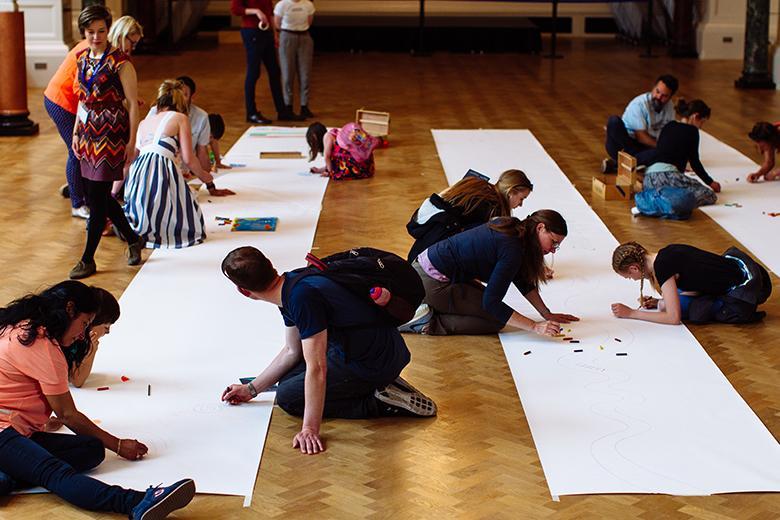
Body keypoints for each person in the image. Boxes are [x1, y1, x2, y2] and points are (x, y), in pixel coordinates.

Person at [0, 281, 195, 517]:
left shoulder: (24, 326)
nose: (83, 333)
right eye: (83, 324)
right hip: (4, 430)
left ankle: (6, 476)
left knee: (91, 449)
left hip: (17, 427)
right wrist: (118, 445)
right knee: (55, 473)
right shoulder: (40, 345)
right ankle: (135, 503)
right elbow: (67, 414)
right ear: (69, 309)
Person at [220, 247, 437, 455]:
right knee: (289, 378)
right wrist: (251, 389)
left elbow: (317, 368)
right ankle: (382, 383)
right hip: (377, 348)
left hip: (373, 361)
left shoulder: (300, 298)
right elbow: (292, 351)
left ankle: (378, 398)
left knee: (288, 397)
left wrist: (309, 429)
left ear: (244, 292)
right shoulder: (293, 283)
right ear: (270, 265)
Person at [401, 211, 579, 336]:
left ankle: (431, 308)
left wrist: (545, 314)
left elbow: (521, 279)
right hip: (431, 281)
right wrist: (534, 327)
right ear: (541, 228)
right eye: (553, 243)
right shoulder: (512, 248)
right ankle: (426, 323)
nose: (553, 250)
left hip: (430, 270)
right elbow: (491, 303)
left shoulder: (516, 229)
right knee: (496, 321)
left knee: (499, 313)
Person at [69, 6, 144, 279]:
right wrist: (77, 131)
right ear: (83, 33)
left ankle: (88, 259)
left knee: (98, 201)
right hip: (88, 133)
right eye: (90, 32)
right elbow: (81, 99)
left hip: (112, 133)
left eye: (101, 31)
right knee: (95, 195)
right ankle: (133, 238)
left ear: (108, 30)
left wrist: (131, 141)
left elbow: (134, 106)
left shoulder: (121, 62)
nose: (96, 36)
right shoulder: (81, 59)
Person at [124, 80, 235, 249]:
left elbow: (130, 160)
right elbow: (189, 158)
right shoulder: (180, 118)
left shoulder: (144, 123)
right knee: (189, 220)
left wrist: (113, 192)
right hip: (161, 169)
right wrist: (207, 178)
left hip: (138, 175)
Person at [611, 242, 771, 324]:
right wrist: (660, 302)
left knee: (690, 310)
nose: (631, 279)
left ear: (634, 268)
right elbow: (698, 282)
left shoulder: (662, 267)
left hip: (743, 294)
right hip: (747, 271)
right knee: (671, 300)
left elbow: (673, 318)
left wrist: (632, 313)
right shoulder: (666, 252)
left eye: (629, 276)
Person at [406, 169, 533, 262]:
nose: (521, 205)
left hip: (424, 243)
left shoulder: (479, 185)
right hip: (431, 258)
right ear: (511, 192)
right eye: (522, 199)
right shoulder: (491, 207)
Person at [635, 99, 720, 209]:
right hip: (669, 177)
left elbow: (662, 151)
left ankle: (657, 198)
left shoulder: (669, 125)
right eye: (702, 122)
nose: (701, 127)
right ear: (695, 116)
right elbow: (695, 162)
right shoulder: (692, 131)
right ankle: (667, 203)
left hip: (649, 179)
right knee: (709, 195)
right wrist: (711, 182)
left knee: (674, 189)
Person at [44, 26, 91, 218]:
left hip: (66, 101)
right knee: (76, 150)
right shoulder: (89, 50)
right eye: (132, 42)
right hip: (59, 101)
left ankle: (74, 184)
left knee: (83, 148)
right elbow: (79, 89)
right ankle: (77, 204)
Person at [231, 0, 303, 123]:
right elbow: (235, 9)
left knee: (275, 71)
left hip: (266, 32)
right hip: (252, 32)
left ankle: (282, 111)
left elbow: (270, 13)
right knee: (253, 73)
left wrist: (275, 34)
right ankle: (251, 113)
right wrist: (256, 11)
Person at [603, 74, 679, 172]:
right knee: (614, 121)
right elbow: (641, 137)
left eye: (664, 96)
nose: (659, 97)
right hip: (624, 144)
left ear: (670, 97)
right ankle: (635, 161)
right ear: (653, 88)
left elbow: (669, 132)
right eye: (657, 91)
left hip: (643, 146)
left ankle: (620, 164)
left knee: (667, 152)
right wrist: (662, 147)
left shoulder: (670, 107)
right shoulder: (639, 104)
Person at [148, 76, 211, 175]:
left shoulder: (201, 117)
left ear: (192, 97)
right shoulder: (155, 111)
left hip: (184, 172)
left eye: (184, 95)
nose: (179, 100)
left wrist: (207, 177)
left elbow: (201, 151)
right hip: (156, 168)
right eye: (177, 95)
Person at [274, 0, 316, 119]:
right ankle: (288, 106)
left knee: (305, 74)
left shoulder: (308, 4)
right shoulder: (282, 4)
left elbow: (309, 21)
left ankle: (304, 106)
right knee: (287, 74)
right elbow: (277, 23)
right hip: (287, 36)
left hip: (304, 37)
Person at [307, 122, 380, 180]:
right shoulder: (335, 133)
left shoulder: (327, 136)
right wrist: (320, 170)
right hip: (367, 168)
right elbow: (332, 163)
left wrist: (329, 172)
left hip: (355, 168)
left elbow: (327, 157)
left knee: (335, 165)